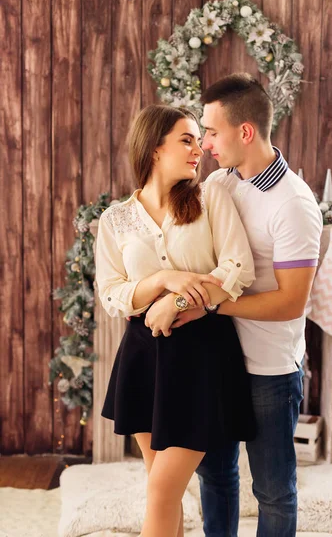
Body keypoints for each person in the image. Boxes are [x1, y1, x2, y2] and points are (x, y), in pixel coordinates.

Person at [148, 73, 323, 536]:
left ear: (244, 132)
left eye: (210, 131)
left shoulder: (294, 205)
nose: (204, 144)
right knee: (216, 476)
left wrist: (206, 306)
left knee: (272, 490)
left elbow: (290, 302)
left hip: (269, 368)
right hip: (218, 360)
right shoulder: (221, 183)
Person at [95, 104, 257, 537]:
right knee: (160, 489)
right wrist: (164, 279)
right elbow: (112, 293)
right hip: (143, 354)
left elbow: (237, 268)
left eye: (197, 139)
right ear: (153, 149)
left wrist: (178, 304)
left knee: (163, 490)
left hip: (202, 354)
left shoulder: (209, 198)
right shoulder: (115, 219)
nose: (198, 149)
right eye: (186, 139)